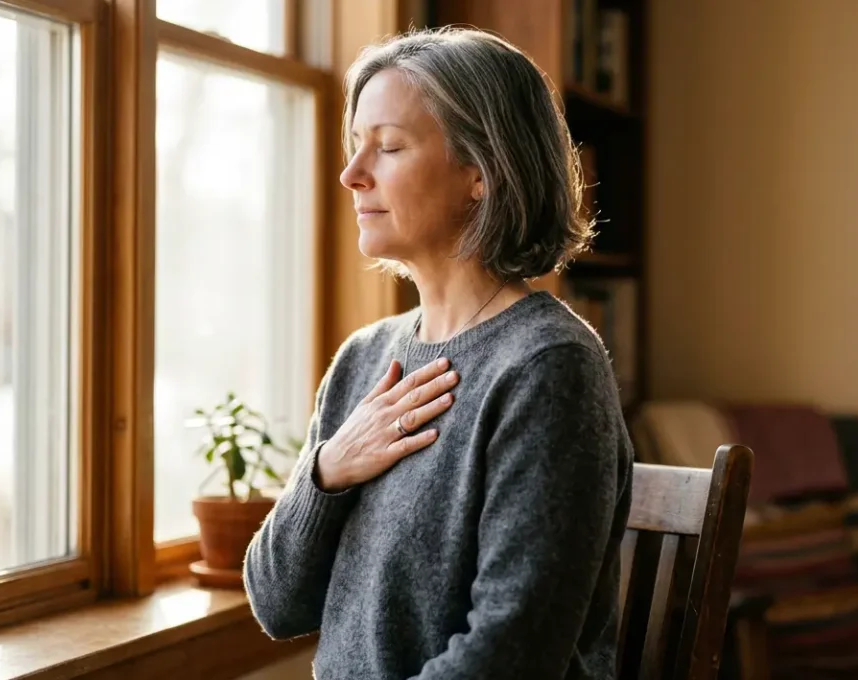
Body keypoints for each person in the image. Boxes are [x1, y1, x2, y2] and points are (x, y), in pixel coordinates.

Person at [242, 26, 634, 680]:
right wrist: (328, 470)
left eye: (389, 146)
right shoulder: (363, 360)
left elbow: (514, 650)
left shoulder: (550, 364)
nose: (351, 174)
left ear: (481, 172)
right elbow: (277, 604)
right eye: (354, 145)